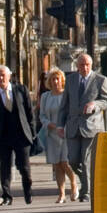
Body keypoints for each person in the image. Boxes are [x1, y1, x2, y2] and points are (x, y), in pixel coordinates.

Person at [0, 65, 37, 206]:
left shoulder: (21, 90)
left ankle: (28, 192)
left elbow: (30, 114)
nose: (1, 78)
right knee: (5, 167)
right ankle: (7, 196)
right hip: (4, 137)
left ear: (9, 76)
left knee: (24, 168)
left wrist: (33, 134)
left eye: (3, 75)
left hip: (21, 136)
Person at [59, 52, 107, 204]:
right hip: (73, 126)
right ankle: (88, 181)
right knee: (72, 160)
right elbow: (64, 105)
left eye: (87, 65)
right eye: (82, 65)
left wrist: (95, 105)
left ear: (91, 65)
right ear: (77, 66)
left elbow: (106, 101)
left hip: (91, 127)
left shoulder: (100, 80)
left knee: (86, 161)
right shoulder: (71, 80)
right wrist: (60, 125)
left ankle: (86, 193)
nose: (85, 67)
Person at [39, 68, 77, 204]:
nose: (55, 82)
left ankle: (74, 184)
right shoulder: (45, 97)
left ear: (62, 81)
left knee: (65, 163)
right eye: (53, 79)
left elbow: (72, 113)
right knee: (56, 165)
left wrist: (64, 127)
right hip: (51, 134)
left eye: (57, 79)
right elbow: (42, 115)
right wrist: (48, 124)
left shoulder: (67, 95)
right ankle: (61, 194)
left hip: (65, 133)